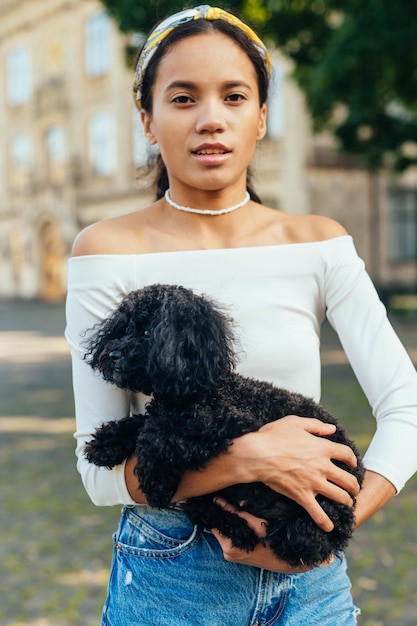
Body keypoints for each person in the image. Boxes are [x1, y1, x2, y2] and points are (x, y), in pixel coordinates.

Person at [65, 5, 417, 625]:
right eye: (182, 98)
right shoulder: (105, 249)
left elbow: (406, 406)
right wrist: (253, 457)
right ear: (147, 120)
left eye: (234, 96)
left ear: (260, 118)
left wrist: (326, 532)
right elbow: (100, 478)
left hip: (311, 584)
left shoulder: (318, 241)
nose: (210, 119)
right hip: (171, 576)